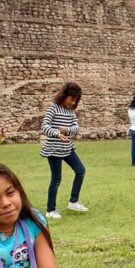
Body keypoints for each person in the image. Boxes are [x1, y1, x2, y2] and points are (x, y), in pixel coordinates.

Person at [40, 82, 88, 220]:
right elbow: (45, 126)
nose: (73, 102)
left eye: (76, 100)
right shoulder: (53, 108)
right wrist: (56, 133)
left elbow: (76, 127)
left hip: (67, 147)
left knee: (80, 170)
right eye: (71, 99)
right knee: (56, 179)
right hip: (54, 149)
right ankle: (50, 210)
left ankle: (73, 201)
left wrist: (66, 130)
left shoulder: (71, 111)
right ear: (64, 95)